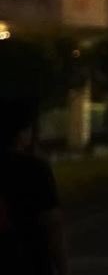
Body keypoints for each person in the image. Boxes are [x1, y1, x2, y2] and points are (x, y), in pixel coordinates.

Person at [0, 99, 69, 275]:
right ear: (20, 133)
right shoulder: (34, 169)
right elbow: (52, 223)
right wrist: (63, 268)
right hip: (29, 261)